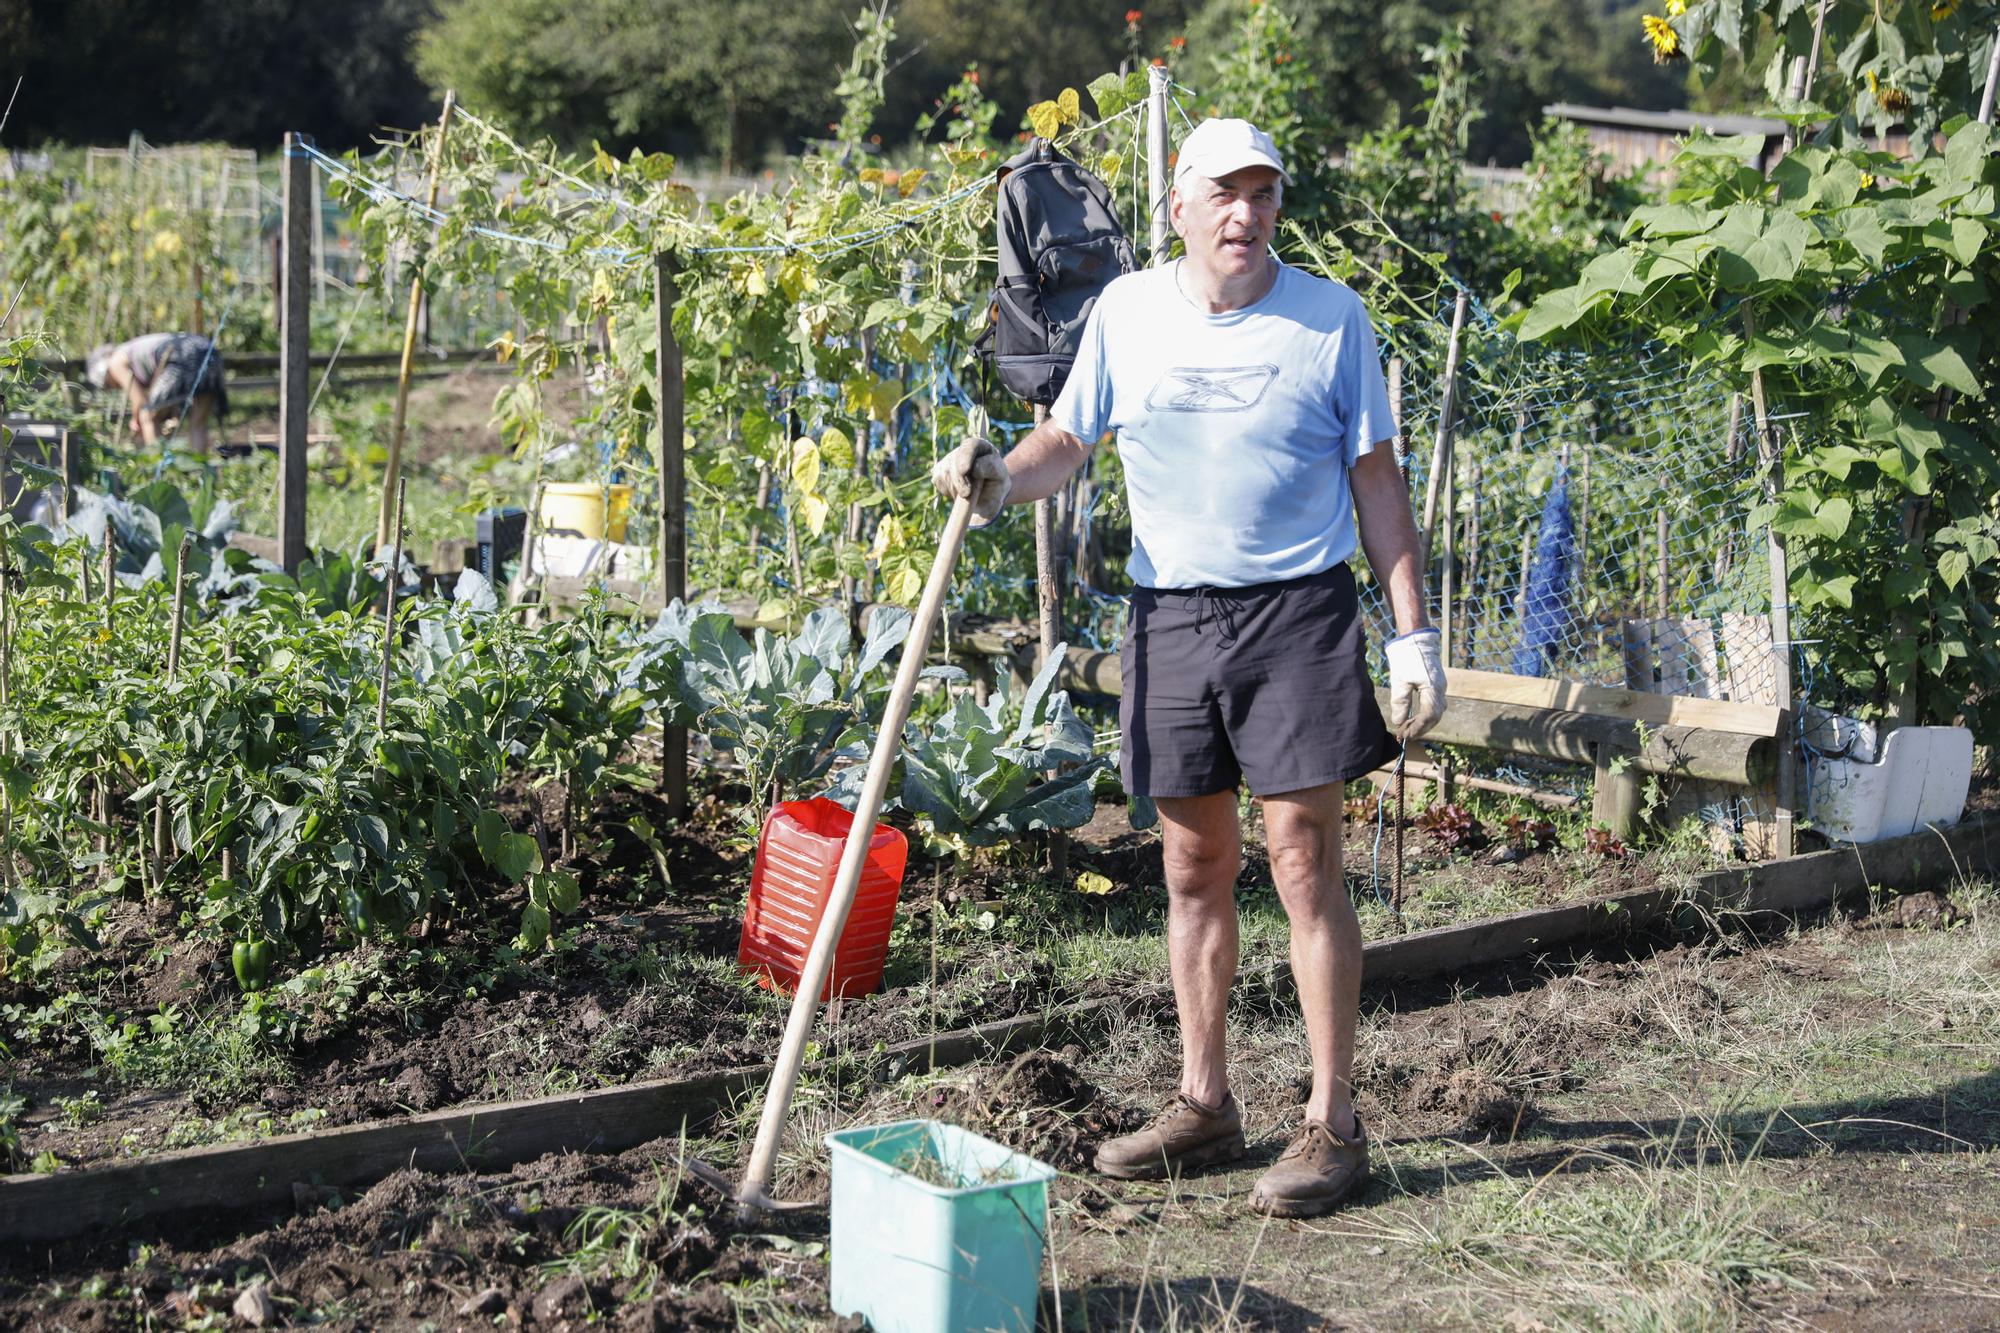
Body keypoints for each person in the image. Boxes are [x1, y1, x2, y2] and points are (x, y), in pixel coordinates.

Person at [932, 118, 1446, 1217]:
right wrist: (995, 478)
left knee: (1302, 862)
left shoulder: (1327, 319)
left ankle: (1332, 1120)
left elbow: (1377, 480)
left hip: (1296, 615)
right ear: (1178, 208)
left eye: (1261, 194)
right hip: (1172, 616)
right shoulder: (1126, 313)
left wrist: (1412, 637)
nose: (1243, 214)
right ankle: (1204, 1103)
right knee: (1188, 863)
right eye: (1222, 193)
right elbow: (1066, 440)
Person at [84, 332, 228, 456]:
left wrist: (136, 420)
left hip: (181, 354)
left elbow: (139, 401)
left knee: (147, 415)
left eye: (108, 385)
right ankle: (199, 474)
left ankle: (159, 471)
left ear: (105, 373)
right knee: (198, 422)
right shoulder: (130, 350)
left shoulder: (115, 363)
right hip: (207, 350)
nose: (114, 388)